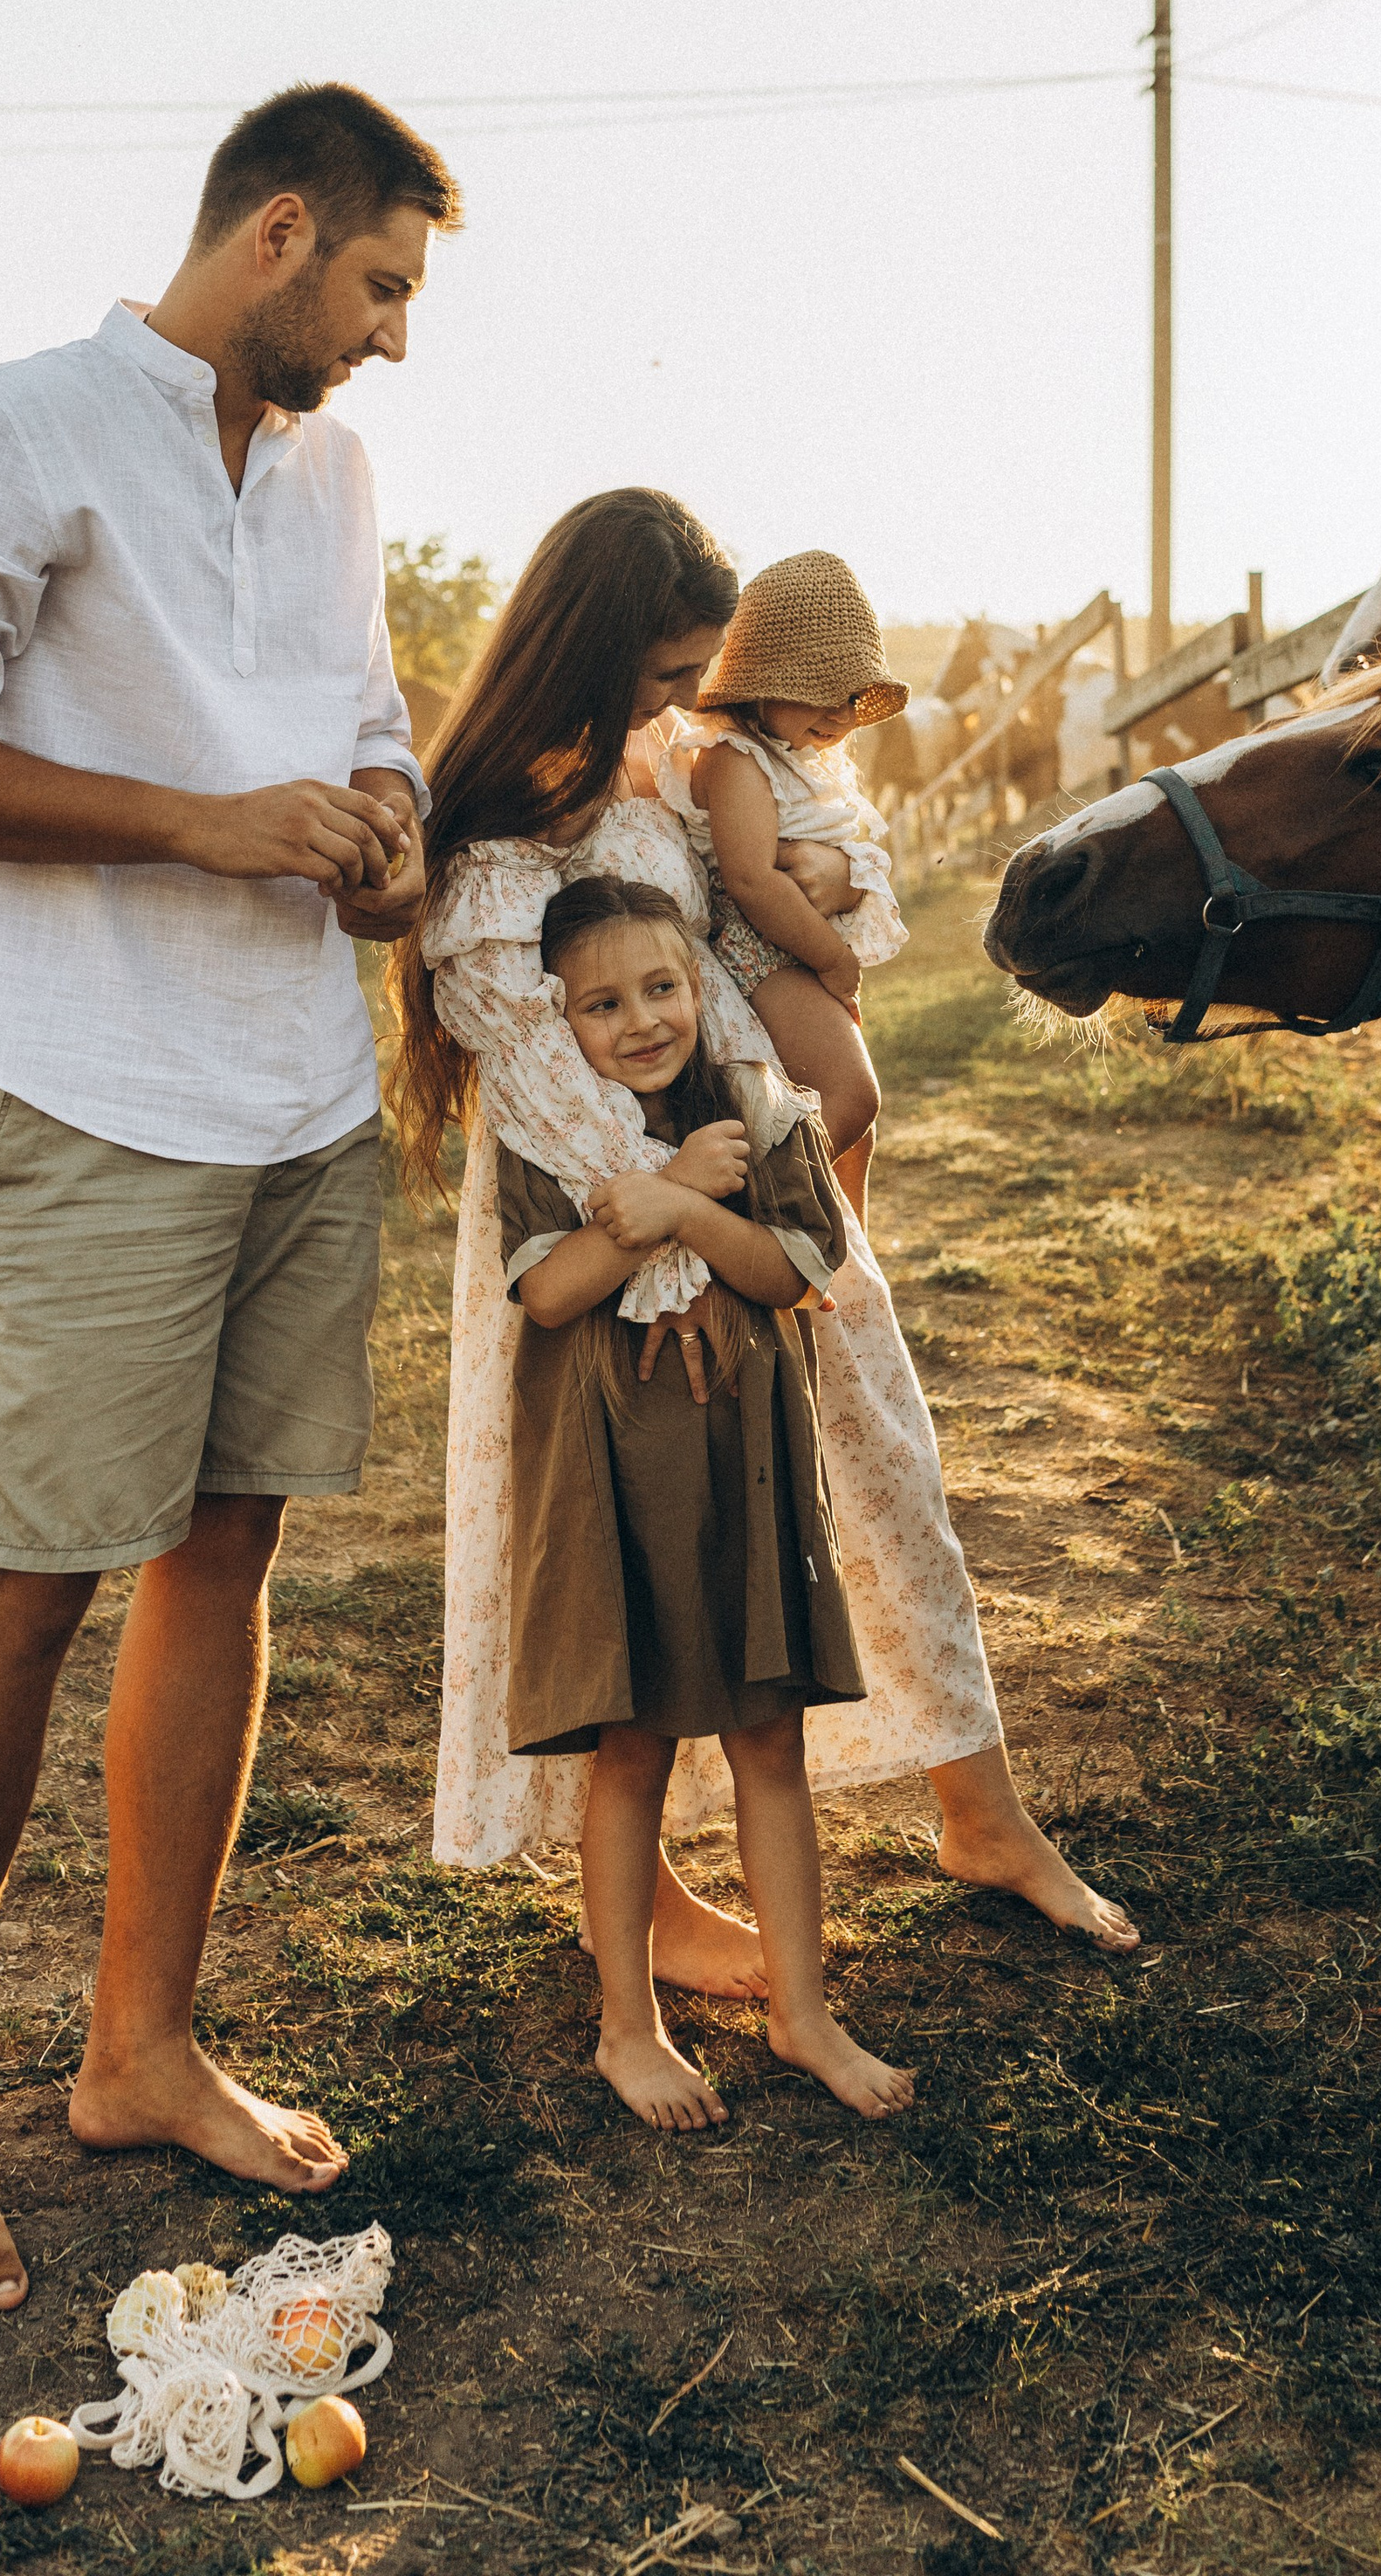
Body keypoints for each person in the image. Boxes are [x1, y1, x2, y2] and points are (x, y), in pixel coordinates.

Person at [0, 81, 460, 2333]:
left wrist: (377, 819)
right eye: (377, 284)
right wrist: (202, 825)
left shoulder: (337, 472)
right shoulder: (13, 422)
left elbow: (361, 718)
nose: (390, 338)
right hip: (89, 1094)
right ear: (276, 231)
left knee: (228, 1551)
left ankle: (137, 2039)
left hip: (295, 1090)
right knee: (20, 1588)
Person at [388, 486, 1140, 1970]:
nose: (682, 709)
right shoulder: (485, 858)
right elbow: (557, 1109)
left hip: (752, 1175)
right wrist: (687, 1249)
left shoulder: (662, 768)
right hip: (628, 1239)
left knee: (884, 1473)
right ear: (590, 655)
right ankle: (648, 1896)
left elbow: (761, 889)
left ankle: (978, 1803)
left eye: (692, 679)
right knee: (636, 1559)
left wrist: (824, 890)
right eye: (664, 677)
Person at [502, 874, 910, 2127]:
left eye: (664, 988)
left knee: (769, 1735)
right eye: (604, 1003)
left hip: (747, 1454)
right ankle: (630, 2028)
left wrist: (679, 1204)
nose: (641, 1021)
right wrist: (660, 1199)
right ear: (558, 1019)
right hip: (621, 1465)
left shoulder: (757, 1106)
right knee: (630, 1749)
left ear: (701, 987)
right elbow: (553, 1292)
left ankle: (803, 2009)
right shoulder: (548, 1126)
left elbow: (795, 1274)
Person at [656, 547, 909, 1222]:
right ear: (762, 678)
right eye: (819, 688)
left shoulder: (794, 755)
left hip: (795, 944)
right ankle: (750, 1212)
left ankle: (839, 1250)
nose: (839, 712)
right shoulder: (735, 758)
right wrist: (831, 957)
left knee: (858, 1130)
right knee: (849, 1098)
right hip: (760, 951)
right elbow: (749, 879)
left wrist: (847, 892)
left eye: (853, 695)